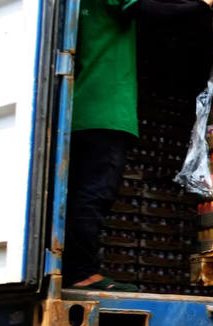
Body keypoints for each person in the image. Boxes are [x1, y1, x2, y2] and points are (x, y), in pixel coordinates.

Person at [63, 0, 140, 291]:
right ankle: (82, 272)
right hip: (105, 112)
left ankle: (75, 269)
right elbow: (152, 10)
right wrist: (202, 6)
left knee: (82, 193)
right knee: (94, 194)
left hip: (85, 109)